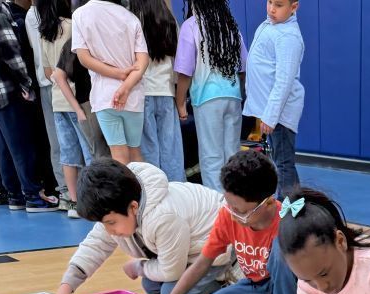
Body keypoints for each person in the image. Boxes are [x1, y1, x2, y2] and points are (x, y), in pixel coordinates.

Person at [154, 150, 301, 294]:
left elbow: (316, 283)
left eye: (241, 211)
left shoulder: (288, 220)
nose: (233, 215)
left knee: (280, 249)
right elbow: (203, 262)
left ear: (267, 202)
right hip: (255, 286)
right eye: (230, 206)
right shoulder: (227, 215)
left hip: (291, 289)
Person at [51, 158, 229, 294]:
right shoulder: (119, 205)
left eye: (111, 223)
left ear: (134, 208)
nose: (109, 230)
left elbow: (171, 271)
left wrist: (140, 267)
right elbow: (95, 245)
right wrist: (67, 285)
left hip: (220, 252)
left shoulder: (163, 217)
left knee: (172, 293)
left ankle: (225, 283)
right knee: (152, 286)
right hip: (189, 252)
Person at [0, 0, 58, 211]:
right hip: (7, 90)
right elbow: (11, 53)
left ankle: (15, 195)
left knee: (4, 148)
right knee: (22, 146)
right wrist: (26, 83)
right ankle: (33, 195)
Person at [174, 0, 246, 191]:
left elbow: (185, 72)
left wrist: (180, 102)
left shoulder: (191, 26)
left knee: (211, 156)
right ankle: (237, 203)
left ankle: (217, 207)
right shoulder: (230, 26)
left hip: (207, 100)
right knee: (233, 153)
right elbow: (243, 67)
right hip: (233, 96)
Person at [71, 0, 149, 164]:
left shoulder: (80, 14)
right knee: (135, 153)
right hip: (133, 96)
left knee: (119, 156)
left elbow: (84, 59)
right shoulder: (130, 17)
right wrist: (126, 86)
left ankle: (127, 191)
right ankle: (145, 189)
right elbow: (143, 61)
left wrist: (117, 74)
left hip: (105, 96)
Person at [243, 0, 304, 199]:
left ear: (294, 7)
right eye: (269, 2)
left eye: (278, 5)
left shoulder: (289, 37)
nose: (271, 9)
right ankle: (296, 209)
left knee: (284, 164)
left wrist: (270, 115)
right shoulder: (270, 25)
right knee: (281, 162)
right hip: (270, 112)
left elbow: (284, 80)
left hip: (280, 114)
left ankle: (287, 215)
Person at [37, 0, 91, 218]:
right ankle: (92, 200)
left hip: (57, 100)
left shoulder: (44, 32)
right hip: (78, 97)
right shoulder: (73, 25)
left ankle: (73, 202)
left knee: (68, 154)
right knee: (90, 151)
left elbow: (49, 71)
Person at [130, 0, 184, 182]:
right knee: (171, 149)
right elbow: (179, 60)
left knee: (148, 150)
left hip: (141, 92)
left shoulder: (133, 21)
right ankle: (178, 193)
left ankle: (153, 193)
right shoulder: (170, 21)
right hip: (167, 90)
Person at [26, 0, 68, 205]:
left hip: (46, 82)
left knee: (57, 141)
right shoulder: (64, 20)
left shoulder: (32, 16)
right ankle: (73, 190)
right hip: (64, 83)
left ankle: (65, 192)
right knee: (76, 139)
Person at [54, 36, 109, 161]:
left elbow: (58, 76)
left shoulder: (73, 43)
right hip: (94, 104)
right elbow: (58, 76)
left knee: (100, 155)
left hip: (90, 104)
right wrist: (78, 110)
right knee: (105, 154)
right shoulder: (75, 43)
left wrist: (78, 109)